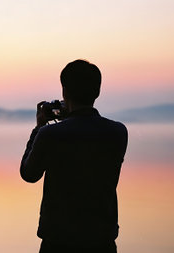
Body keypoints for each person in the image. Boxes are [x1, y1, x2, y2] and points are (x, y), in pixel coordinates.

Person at [20, 59, 128, 253]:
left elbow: (29, 174)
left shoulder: (50, 135)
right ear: (97, 91)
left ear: (65, 91)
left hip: (58, 241)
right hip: (102, 240)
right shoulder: (118, 132)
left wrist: (39, 128)